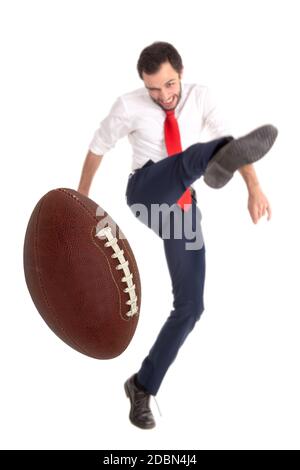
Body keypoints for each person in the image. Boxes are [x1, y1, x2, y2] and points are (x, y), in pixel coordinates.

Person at [77, 41, 278, 430]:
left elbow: (238, 145)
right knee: (194, 159)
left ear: (180, 73)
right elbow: (96, 149)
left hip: (181, 210)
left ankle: (142, 385)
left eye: (170, 85)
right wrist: (80, 201)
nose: (164, 96)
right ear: (143, 84)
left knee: (191, 306)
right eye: (154, 89)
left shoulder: (201, 98)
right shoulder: (128, 105)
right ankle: (211, 162)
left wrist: (253, 188)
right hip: (148, 192)